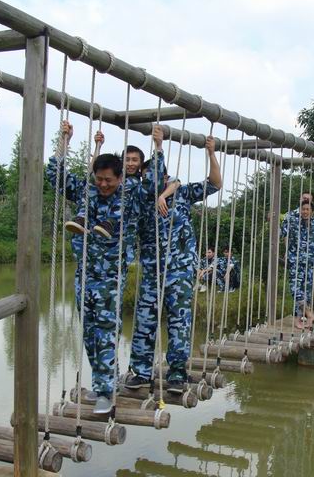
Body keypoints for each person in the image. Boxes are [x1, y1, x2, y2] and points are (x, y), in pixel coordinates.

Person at [45, 120, 138, 414]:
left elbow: (156, 185)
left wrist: (158, 151)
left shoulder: (131, 194)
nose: (103, 184)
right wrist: (64, 141)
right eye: (99, 178)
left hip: (111, 276)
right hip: (85, 275)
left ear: (120, 177)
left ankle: (105, 392)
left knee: (107, 331)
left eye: (109, 179)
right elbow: (55, 175)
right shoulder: (89, 191)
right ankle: (104, 383)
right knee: (90, 334)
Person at [127, 128, 222, 393]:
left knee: (180, 322)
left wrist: (211, 153)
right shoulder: (140, 198)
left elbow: (215, 183)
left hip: (180, 271)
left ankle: (178, 374)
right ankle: (141, 372)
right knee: (145, 320)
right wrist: (158, 191)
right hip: (151, 270)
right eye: (149, 175)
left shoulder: (182, 193)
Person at [281, 200, 314, 329]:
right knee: (295, 290)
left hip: (309, 264)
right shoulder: (293, 222)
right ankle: (309, 314)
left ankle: (299, 320)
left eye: (307, 209)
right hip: (295, 262)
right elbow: (282, 232)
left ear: (312, 212)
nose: (305, 211)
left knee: (306, 293)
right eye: (303, 209)